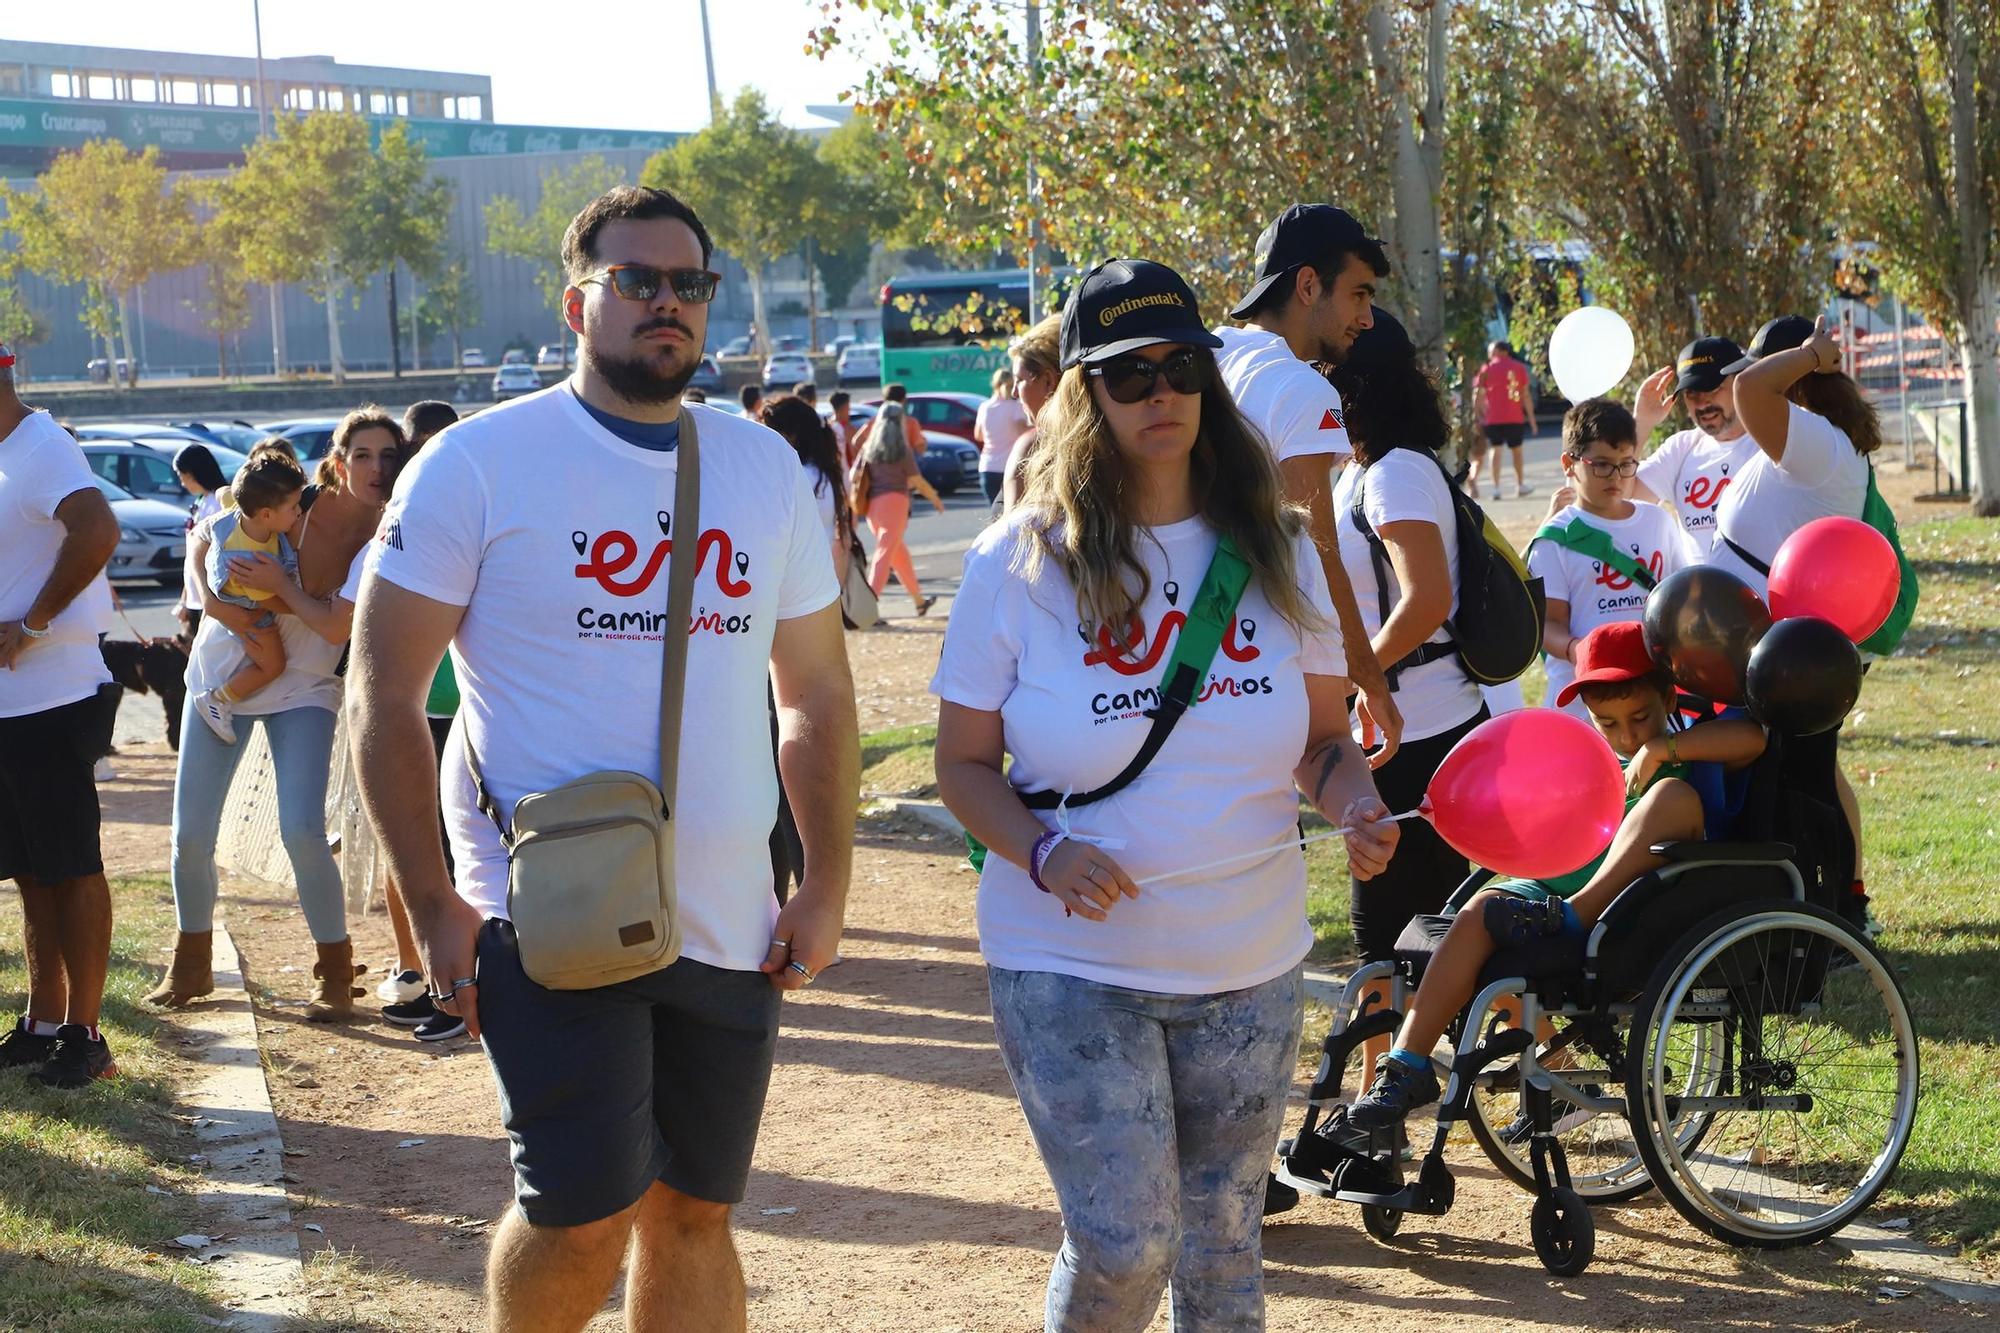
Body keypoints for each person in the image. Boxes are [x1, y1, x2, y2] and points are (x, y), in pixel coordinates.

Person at [347, 184, 858, 1333]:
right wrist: (431, 904)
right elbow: (380, 698)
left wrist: (823, 880)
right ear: (578, 303)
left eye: (687, 284)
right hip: (546, 909)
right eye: (636, 281)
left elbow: (815, 694)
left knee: (694, 1212)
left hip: (729, 910)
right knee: (580, 1213)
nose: (665, 303)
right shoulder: (476, 465)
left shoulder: (759, 468)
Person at [932, 259, 1400, 1331]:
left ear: (1208, 378)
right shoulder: (1019, 559)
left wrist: (1351, 801)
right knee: (1123, 1240)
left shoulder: (1276, 550)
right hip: (1068, 962)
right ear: (1082, 393)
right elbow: (962, 765)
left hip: (1249, 957)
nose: (1160, 393)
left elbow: (1324, 743)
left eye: (1180, 366)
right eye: (1128, 372)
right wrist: (1044, 853)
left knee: (1226, 1242)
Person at [1345, 622, 1765, 1128]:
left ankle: (1578, 912)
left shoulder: (1687, 748)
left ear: (1668, 700)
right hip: (1550, 892)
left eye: (1641, 718)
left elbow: (1752, 738)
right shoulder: (1587, 756)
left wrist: (1663, 750)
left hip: (1632, 904)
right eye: (1608, 723)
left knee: (1669, 796)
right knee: (1478, 913)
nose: (1628, 735)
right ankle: (1405, 1067)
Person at [147, 407, 404, 1022]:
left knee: (302, 831)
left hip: (307, 688)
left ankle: (336, 973)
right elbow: (206, 536)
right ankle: (190, 964)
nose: (375, 468)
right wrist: (221, 607)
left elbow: (337, 624)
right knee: (189, 835)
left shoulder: (393, 532)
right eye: (362, 455)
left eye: (388, 457)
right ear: (337, 461)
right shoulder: (290, 501)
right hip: (221, 680)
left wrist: (280, 589)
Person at [1325, 308, 1491, 1090]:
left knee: (1388, 933)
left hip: (1425, 726)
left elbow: (1425, 598)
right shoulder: (1364, 469)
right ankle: (1554, 1072)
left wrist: (1365, 673)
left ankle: (1373, 1105)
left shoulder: (1394, 471)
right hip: (1406, 723)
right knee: (1424, 927)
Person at [1218, 202, 1403, 766]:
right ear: (1306, 285)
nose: (1368, 318)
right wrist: (1367, 674)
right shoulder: (1301, 388)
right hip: (1249, 663)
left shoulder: (1205, 358)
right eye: (1359, 294)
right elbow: (1317, 549)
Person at [0, 341, 124, 1088]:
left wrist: (33, 622)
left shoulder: (39, 444)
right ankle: (42, 1021)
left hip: (54, 696)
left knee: (72, 866)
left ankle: (87, 1034)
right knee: (28, 868)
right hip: (11, 703)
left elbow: (100, 530)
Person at [1718, 313, 1879, 886]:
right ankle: (1822, 909)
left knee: (1804, 786)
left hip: (1790, 652)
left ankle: (1831, 913)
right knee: (1801, 780)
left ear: (1793, 379)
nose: (1744, 382)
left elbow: (1747, 388)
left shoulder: (1816, 443)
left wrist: (1813, 356)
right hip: (1784, 647)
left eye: (1767, 366)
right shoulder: (1812, 442)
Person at [376, 399, 468, 1041]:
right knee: (416, 847)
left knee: (468, 851)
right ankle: (428, 980)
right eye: (422, 445)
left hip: (471, 708)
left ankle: (457, 991)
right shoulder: (394, 516)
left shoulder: (474, 504)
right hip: (413, 708)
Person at [1527, 399, 1693, 718]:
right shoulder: (1554, 539)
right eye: (1601, 465)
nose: (1615, 477)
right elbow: (1549, 624)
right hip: (1584, 704)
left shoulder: (1656, 521)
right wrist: (1578, 650)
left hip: (1652, 696)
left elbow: (1679, 601)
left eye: (1626, 463)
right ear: (1568, 463)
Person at [187, 446, 308, 744]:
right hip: (246, 609)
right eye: (293, 507)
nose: (299, 512)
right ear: (267, 514)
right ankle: (218, 699)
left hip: (228, 593)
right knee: (273, 665)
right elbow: (275, 602)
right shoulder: (249, 564)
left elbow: (225, 493)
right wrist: (309, 607)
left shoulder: (238, 508)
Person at [1625, 336, 1759, 553]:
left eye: (1713, 389)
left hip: (1763, 587)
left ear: (1739, 382)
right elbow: (1623, 497)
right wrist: (1641, 424)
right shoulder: (1681, 448)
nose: (1703, 403)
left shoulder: (1769, 442)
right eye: (1691, 393)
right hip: (1698, 587)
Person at [852, 390, 946, 616]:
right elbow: (916, 480)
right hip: (896, 504)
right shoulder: (901, 451)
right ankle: (869, 607)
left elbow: (854, 476)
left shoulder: (869, 449)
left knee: (897, 554)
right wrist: (934, 498)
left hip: (874, 507)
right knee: (886, 555)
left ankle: (918, 601)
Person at [1001, 313, 1062, 512]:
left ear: (1048, 381)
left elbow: (1012, 538)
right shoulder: (1115, 439)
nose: (1014, 392)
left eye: (1019, 380)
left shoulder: (1032, 448)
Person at [172, 443, 230, 641]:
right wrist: (184, 600)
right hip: (196, 597)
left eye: (182, 476)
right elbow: (191, 560)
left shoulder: (219, 502)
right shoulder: (202, 501)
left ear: (193, 472)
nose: (182, 483)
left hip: (211, 596)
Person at [1468, 340, 1538, 500]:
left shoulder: (1487, 368)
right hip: (1514, 417)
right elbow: (1526, 395)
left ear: (1500, 351)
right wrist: (1532, 420)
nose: (1489, 354)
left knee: (1496, 451)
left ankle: (1496, 488)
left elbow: (1477, 395)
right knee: (1517, 451)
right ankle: (1520, 485)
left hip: (1492, 418)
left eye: (1491, 351)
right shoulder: (1519, 368)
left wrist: (1477, 416)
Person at [973, 364, 1031, 505]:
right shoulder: (1016, 407)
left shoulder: (984, 407)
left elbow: (978, 435)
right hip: (1009, 466)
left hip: (988, 466)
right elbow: (1022, 432)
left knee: (994, 512)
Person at [828, 390, 858, 468]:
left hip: (833, 473)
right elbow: (855, 455)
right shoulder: (847, 429)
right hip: (846, 474)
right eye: (848, 409)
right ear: (844, 408)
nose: (849, 412)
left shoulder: (827, 426)